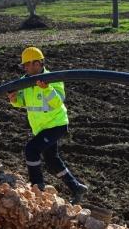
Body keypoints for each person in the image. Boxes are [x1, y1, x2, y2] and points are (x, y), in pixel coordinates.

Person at [7, 46, 88, 203]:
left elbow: (58, 102)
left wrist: (46, 89)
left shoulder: (53, 79)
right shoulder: (25, 82)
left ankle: (37, 187)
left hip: (56, 124)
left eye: (27, 64)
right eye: (24, 65)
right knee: (51, 159)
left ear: (37, 63)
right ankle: (76, 187)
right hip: (42, 128)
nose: (24, 68)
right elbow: (22, 102)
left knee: (31, 149)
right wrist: (14, 99)